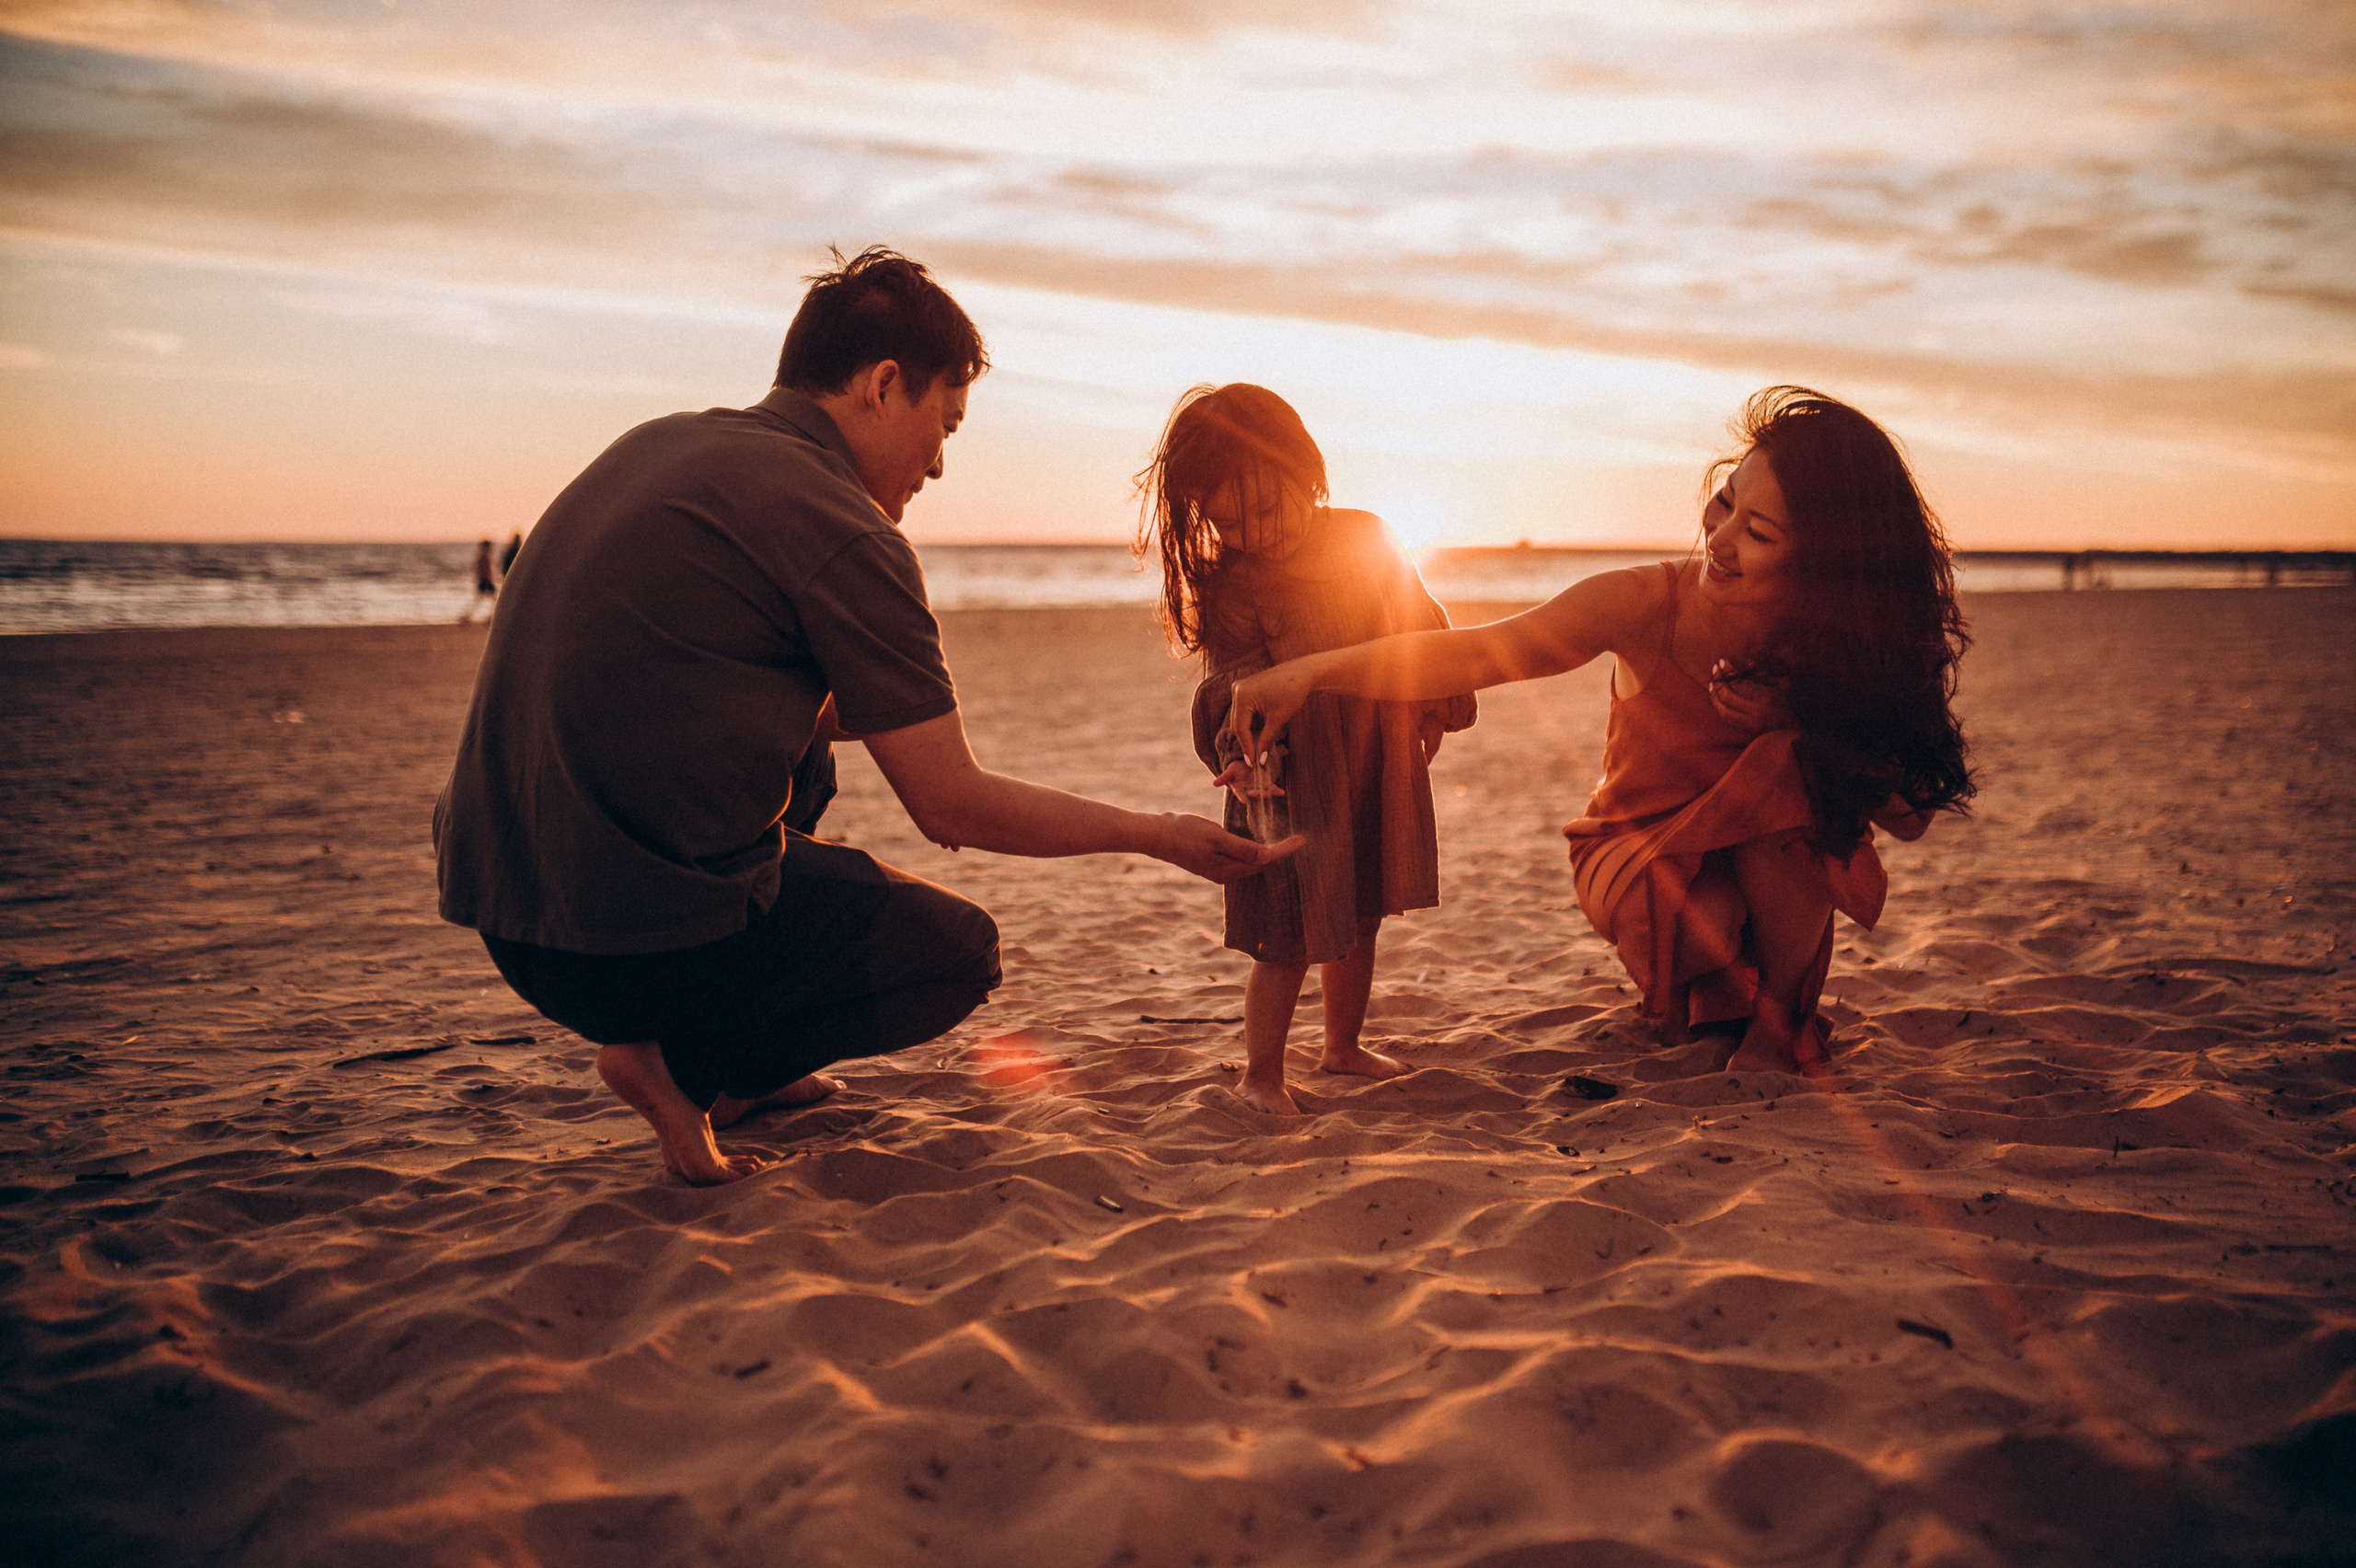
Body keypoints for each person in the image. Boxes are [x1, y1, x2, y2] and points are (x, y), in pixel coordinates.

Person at [433, 247, 1296, 1185]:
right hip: (621, 939)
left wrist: (898, 701)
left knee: (812, 757)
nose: (936, 463)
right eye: (946, 426)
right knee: (953, 954)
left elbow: (715, 684)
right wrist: (1155, 834)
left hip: (504, 905)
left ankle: (729, 1066)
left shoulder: (660, 443)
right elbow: (949, 807)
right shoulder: (841, 521)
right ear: (885, 385)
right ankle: (686, 1063)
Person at [1224, 386, 1975, 1076]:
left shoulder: (1841, 654)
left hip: (1775, 876)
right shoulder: (1648, 603)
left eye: (1760, 533)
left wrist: (1799, 718)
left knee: (1788, 761)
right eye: (1723, 502)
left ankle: (1777, 1021)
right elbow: (1483, 652)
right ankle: (1714, 989)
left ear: (1825, 566)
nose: (1719, 537)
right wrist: (1312, 672)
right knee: (1704, 913)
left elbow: (1906, 820)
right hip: (1637, 851)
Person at [1138, 384, 1477, 1115]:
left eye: (1265, 510)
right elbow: (1228, 687)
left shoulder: (1367, 536)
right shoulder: (1234, 585)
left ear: (1307, 475)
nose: (1253, 535)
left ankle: (1341, 1046)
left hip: (1374, 759)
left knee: (1362, 911)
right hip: (1288, 777)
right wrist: (1238, 749)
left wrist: (1440, 705)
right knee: (1286, 931)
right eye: (1228, 523)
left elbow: (1426, 626)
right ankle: (1261, 1073)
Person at [459, 537, 498, 623]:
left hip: (484, 581)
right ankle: (468, 616)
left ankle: (467, 616)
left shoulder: (482, 556)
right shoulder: (484, 557)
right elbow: (484, 570)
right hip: (486, 581)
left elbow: (478, 570)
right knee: (491, 600)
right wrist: (486, 581)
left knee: (480, 600)